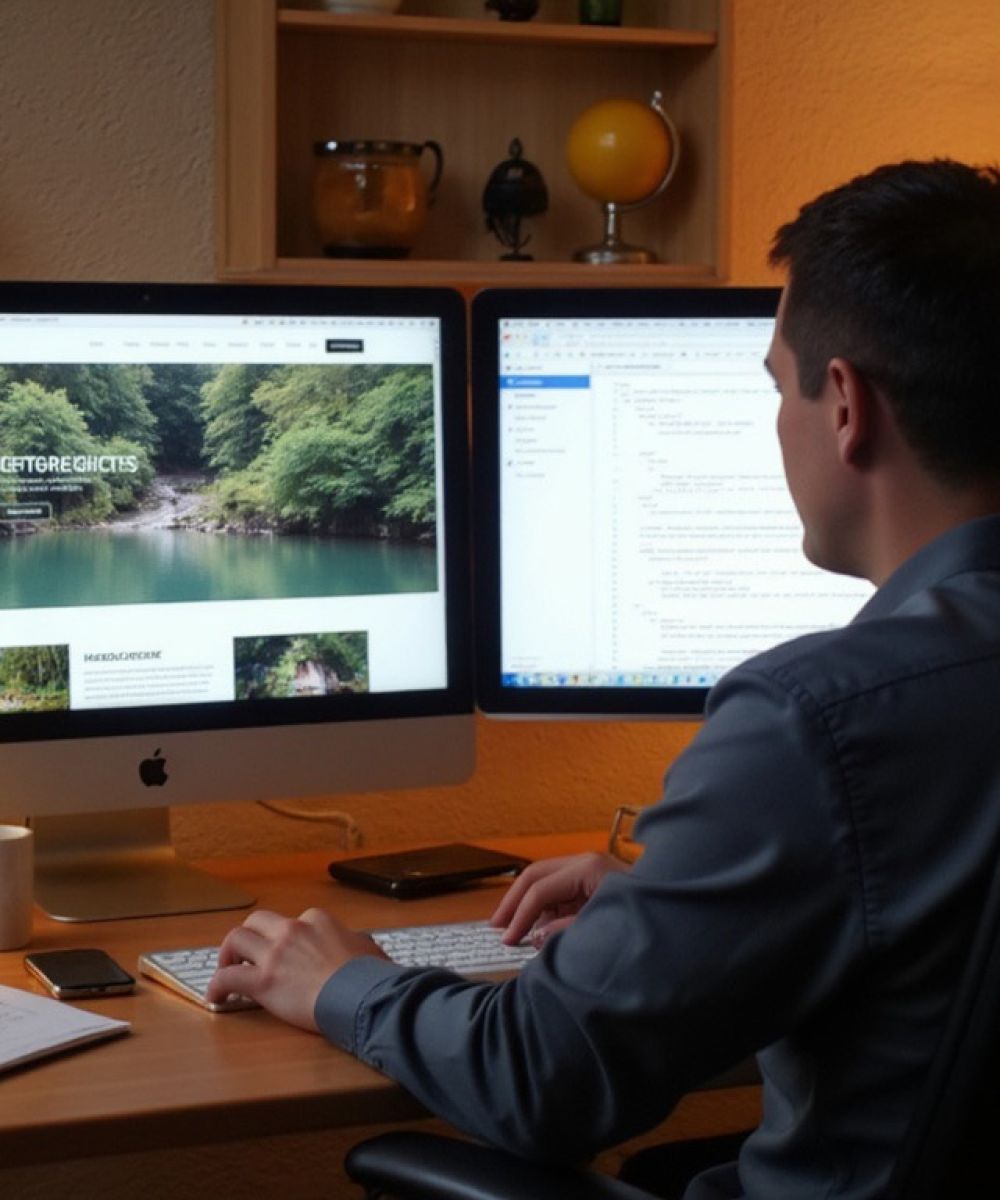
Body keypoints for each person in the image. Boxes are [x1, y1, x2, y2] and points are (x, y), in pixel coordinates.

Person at [208, 158, 1000, 1199]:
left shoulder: (817, 720)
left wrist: (343, 984)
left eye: (775, 384)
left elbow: (541, 1082)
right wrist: (684, 910)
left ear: (843, 403)